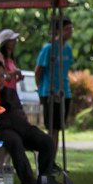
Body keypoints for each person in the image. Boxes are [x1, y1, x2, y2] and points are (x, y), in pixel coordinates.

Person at [0, 60, 55, 184]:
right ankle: (28, 180)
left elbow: (20, 112)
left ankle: (45, 180)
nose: (1, 79)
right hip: (4, 130)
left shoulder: (10, 92)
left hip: (23, 127)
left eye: (2, 76)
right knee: (14, 141)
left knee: (47, 141)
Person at [34, 17, 74, 152]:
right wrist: (40, 91)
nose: (70, 32)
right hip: (49, 92)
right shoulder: (49, 48)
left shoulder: (68, 48)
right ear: (58, 31)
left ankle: (53, 160)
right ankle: (47, 159)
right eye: (67, 29)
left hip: (65, 92)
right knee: (51, 129)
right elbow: (38, 71)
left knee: (58, 129)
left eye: (71, 29)